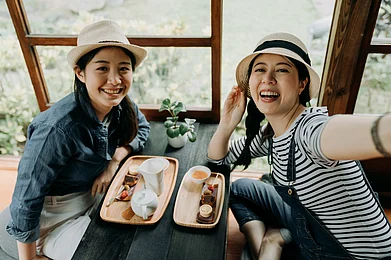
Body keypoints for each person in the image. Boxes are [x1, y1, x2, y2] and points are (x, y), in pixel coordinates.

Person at [208, 32, 391, 260]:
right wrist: (227, 124)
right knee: (239, 189)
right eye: (260, 69)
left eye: (282, 70)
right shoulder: (274, 133)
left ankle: (272, 244)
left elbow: (370, 132)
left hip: (351, 255)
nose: (268, 78)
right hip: (309, 223)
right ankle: (269, 241)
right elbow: (218, 159)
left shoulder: (310, 130)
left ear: (302, 84)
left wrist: (381, 131)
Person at [0, 20, 150, 260]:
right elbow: (26, 200)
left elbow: (142, 128)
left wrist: (114, 162)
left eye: (123, 68)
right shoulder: (56, 129)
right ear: (81, 73)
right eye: (102, 68)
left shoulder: (121, 105)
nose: (115, 80)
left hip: (95, 197)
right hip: (55, 220)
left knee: (145, 233)